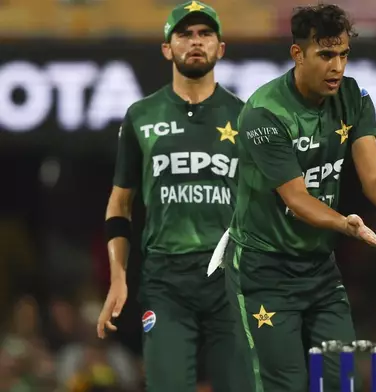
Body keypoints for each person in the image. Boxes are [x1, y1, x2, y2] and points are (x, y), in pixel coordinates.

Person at [213, 4, 376, 392]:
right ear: (298, 54)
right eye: (326, 55)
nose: (337, 66)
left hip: (319, 271)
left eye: (343, 54)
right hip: (264, 272)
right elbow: (296, 198)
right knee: (284, 385)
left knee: (342, 380)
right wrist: (345, 223)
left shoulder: (353, 97)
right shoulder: (265, 112)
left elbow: (375, 178)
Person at [96, 1, 244, 391]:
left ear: (220, 47)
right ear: (167, 48)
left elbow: (269, 203)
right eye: (184, 34)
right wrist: (118, 278)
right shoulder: (140, 116)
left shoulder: (248, 117)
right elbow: (120, 204)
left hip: (230, 278)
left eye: (205, 34)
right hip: (165, 281)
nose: (195, 41)